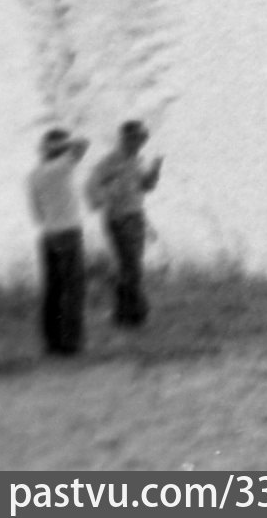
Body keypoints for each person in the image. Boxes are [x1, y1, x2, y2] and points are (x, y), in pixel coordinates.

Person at [83, 120, 163, 328]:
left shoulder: (137, 160)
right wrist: (105, 198)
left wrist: (154, 173)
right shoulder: (110, 161)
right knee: (132, 267)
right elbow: (91, 185)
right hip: (118, 218)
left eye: (142, 138)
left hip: (137, 217)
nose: (140, 142)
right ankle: (138, 315)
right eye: (136, 138)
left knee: (129, 267)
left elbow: (145, 186)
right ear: (126, 139)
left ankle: (123, 315)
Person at [27, 128, 89, 356]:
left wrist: (53, 147)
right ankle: (70, 344)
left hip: (48, 235)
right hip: (69, 233)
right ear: (58, 149)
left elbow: (36, 214)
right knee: (73, 289)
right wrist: (65, 144)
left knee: (52, 291)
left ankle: (51, 343)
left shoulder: (34, 174)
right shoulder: (62, 167)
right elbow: (83, 143)